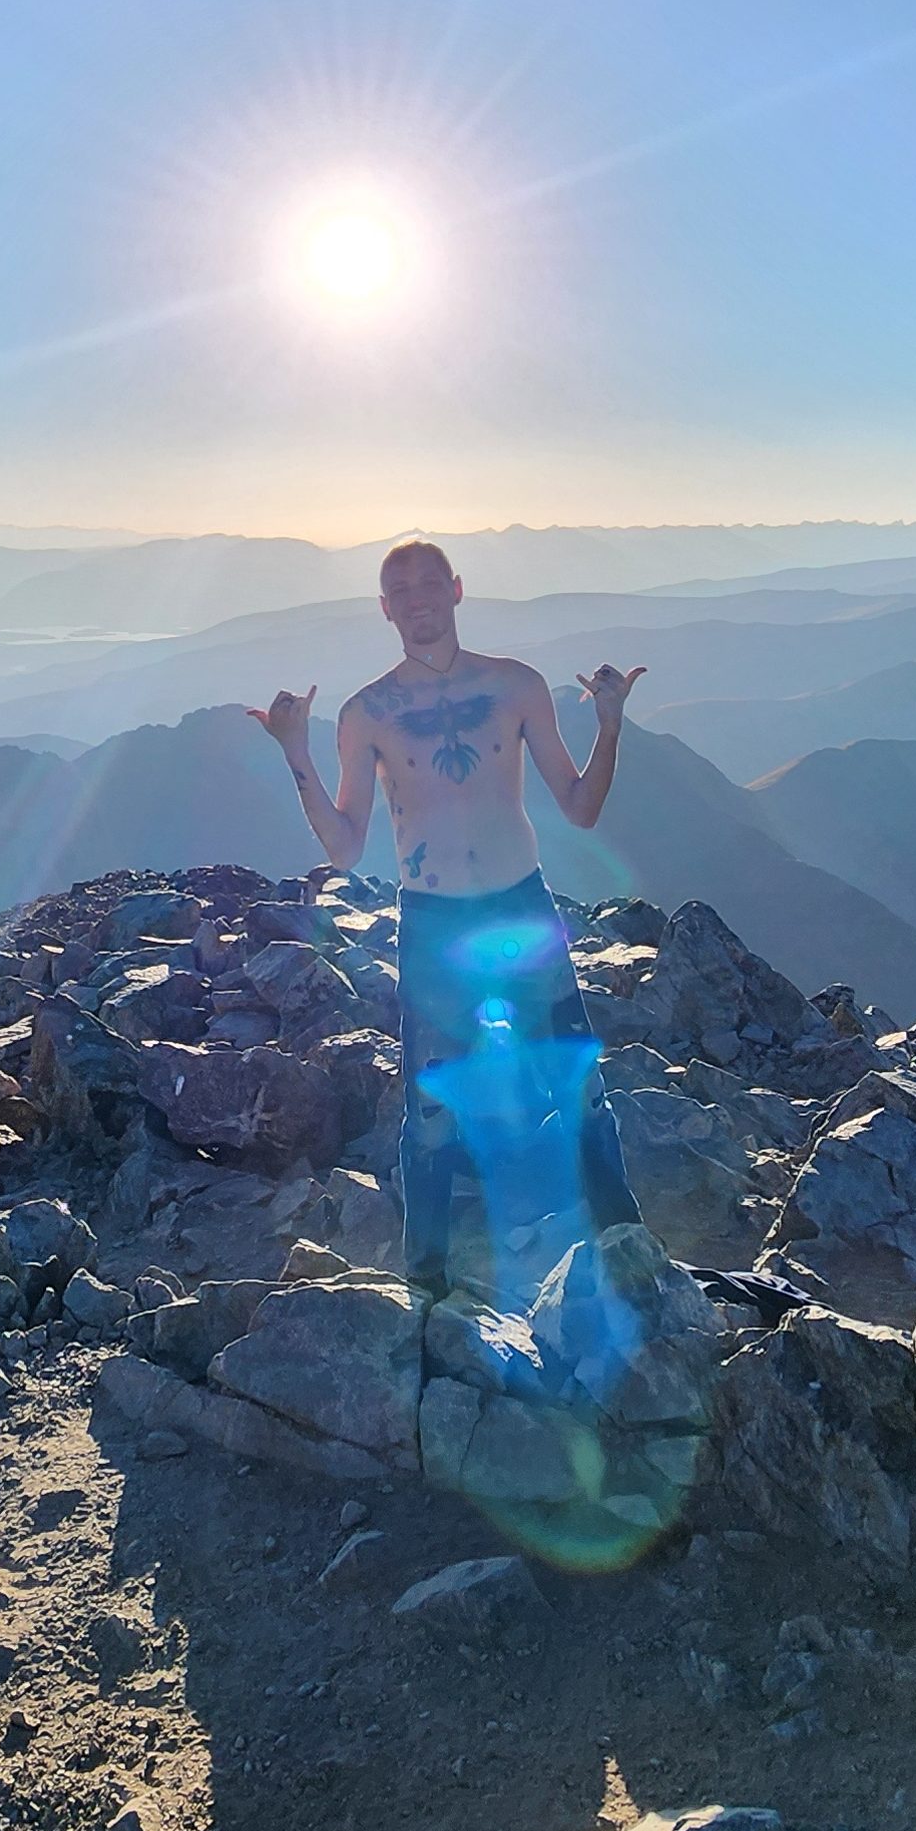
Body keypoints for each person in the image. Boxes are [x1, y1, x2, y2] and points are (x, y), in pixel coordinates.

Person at [249, 536, 649, 1300]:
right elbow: (344, 846)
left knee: (578, 1086)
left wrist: (609, 724)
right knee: (432, 1111)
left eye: (430, 583)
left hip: (519, 903)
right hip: (433, 919)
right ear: (384, 607)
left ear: (457, 589)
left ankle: (629, 1248)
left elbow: (580, 807)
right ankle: (427, 1286)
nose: (418, 599)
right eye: (401, 590)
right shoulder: (366, 714)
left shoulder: (516, 685)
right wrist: (295, 750)